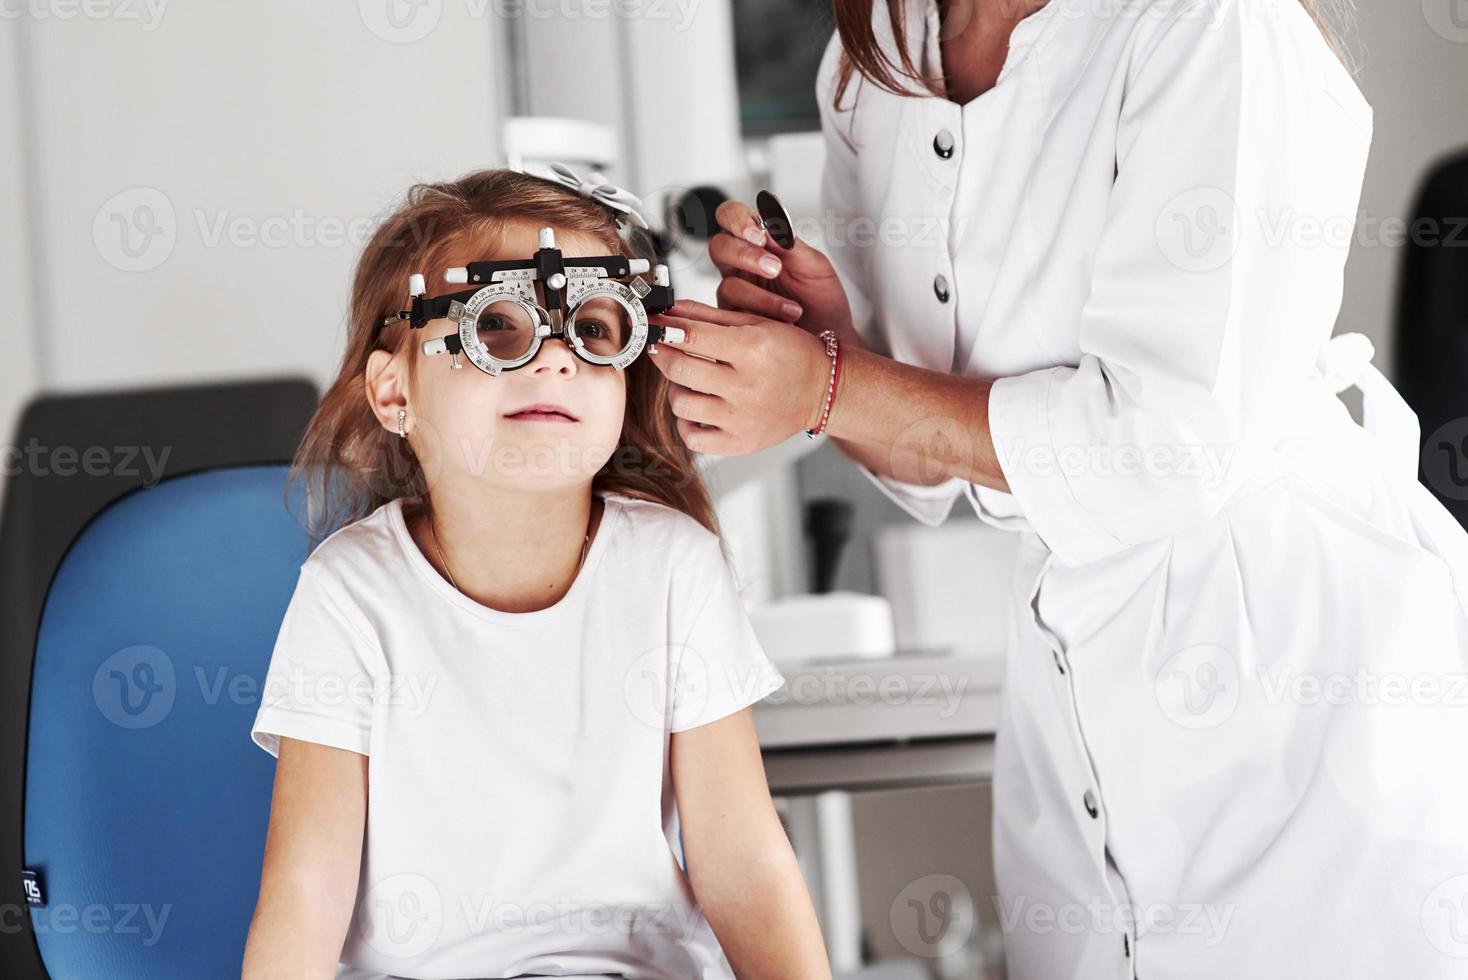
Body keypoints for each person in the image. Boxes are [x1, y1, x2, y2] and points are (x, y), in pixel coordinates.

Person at [644, 0, 1468, 976]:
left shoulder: (1210, 26)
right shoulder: (879, 55)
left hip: (1296, 673)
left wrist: (832, 385)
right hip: (1067, 689)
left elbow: (1165, 446)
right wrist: (832, 360)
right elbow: (922, 447)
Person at [240, 168, 831, 980]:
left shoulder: (672, 567)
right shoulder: (352, 593)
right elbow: (307, 890)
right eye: (501, 329)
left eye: (593, 328)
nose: (555, 362)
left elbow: (742, 862)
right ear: (392, 391)